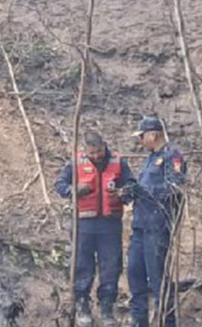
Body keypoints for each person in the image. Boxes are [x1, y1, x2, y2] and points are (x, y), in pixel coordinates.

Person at [54, 134, 134, 327]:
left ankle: (107, 307)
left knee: (111, 267)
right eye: (92, 153)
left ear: (105, 146)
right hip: (83, 224)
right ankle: (82, 305)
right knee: (82, 266)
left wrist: (124, 192)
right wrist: (74, 190)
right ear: (85, 150)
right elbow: (59, 185)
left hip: (110, 225)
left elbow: (132, 184)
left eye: (99, 152)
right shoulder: (75, 163)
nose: (96, 156)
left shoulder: (118, 162)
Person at [123, 116, 187, 327]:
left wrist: (145, 191)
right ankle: (138, 322)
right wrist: (129, 192)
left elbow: (176, 188)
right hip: (140, 227)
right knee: (135, 274)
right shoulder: (151, 158)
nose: (140, 140)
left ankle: (169, 323)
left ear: (153, 134)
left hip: (157, 227)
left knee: (159, 280)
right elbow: (143, 189)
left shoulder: (172, 155)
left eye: (142, 136)